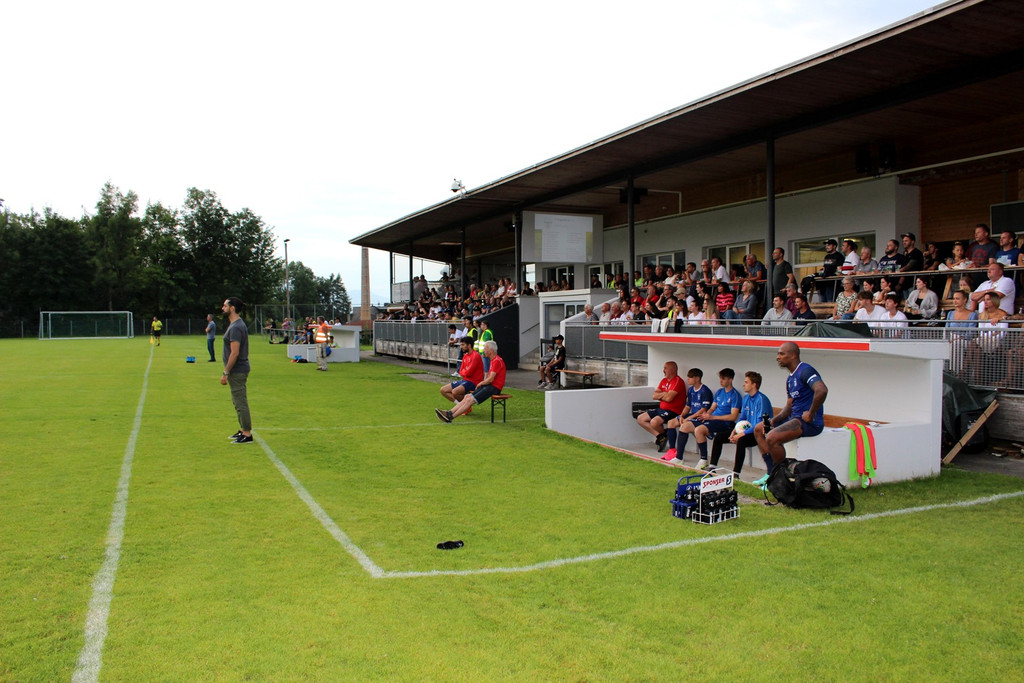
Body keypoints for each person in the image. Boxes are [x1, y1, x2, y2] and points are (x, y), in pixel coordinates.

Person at [752, 342, 828, 487]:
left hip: (809, 422)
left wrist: (811, 413)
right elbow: (789, 406)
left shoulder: (805, 370)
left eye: (781, 354)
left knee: (773, 438)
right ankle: (770, 473)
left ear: (793, 355)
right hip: (795, 418)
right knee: (758, 428)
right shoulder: (790, 379)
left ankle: (779, 480)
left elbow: (822, 390)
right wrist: (774, 421)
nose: (778, 357)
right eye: (778, 354)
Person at [707, 371, 773, 475]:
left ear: (754, 385)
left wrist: (740, 435)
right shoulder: (746, 398)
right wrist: (734, 432)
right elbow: (742, 418)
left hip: (760, 432)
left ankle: (736, 473)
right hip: (748, 430)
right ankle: (712, 466)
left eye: (746, 382)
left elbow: (759, 424)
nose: (743, 384)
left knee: (741, 440)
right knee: (719, 437)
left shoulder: (761, 399)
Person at [436, 340, 506, 423]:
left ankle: (450, 417)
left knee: (470, 400)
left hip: (493, 388)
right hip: (489, 386)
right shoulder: (494, 360)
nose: (483, 350)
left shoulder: (497, 361)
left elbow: (491, 379)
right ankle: (449, 413)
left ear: (491, 351)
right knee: (467, 397)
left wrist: (481, 383)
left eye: (485, 348)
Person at [690, 368, 742, 470]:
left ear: (730, 380)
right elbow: (712, 408)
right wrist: (706, 414)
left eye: (723, 379)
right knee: (686, 426)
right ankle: (678, 456)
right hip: (712, 419)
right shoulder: (719, 392)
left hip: (723, 423)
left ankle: (703, 459)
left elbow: (733, 416)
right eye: (720, 378)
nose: (721, 381)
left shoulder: (735, 395)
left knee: (698, 430)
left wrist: (712, 417)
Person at [661, 367, 713, 462]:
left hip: (700, 417)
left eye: (690, 377)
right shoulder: (690, 390)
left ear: (697, 378)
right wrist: (682, 415)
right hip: (691, 415)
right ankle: (672, 450)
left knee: (684, 426)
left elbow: (704, 409)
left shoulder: (705, 391)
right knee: (671, 423)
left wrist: (689, 418)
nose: (688, 379)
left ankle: (679, 457)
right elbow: (688, 406)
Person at [221, 297, 253, 444]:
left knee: (240, 402)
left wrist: (226, 372)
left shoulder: (236, 327)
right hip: (237, 370)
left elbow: (235, 353)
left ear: (232, 308)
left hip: (237, 370)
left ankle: (247, 434)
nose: (223, 308)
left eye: (225, 306)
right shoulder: (236, 325)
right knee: (237, 401)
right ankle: (242, 429)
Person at [636, 361, 686, 453]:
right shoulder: (664, 380)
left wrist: (662, 395)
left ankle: (662, 437)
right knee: (640, 418)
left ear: (673, 369)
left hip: (673, 410)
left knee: (654, 422)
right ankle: (661, 436)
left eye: (666, 368)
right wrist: (665, 394)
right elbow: (654, 396)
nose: (663, 370)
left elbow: (669, 398)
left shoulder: (678, 381)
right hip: (662, 409)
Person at [442, 337, 484, 407]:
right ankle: (461, 406)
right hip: (465, 380)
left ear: (469, 345)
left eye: (463, 345)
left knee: (455, 392)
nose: (461, 347)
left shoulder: (475, 356)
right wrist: (465, 372)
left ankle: (465, 407)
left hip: (474, 382)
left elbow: (469, 373)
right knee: (443, 390)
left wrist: (465, 372)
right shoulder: (465, 356)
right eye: (461, 345)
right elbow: (460, 371)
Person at [945, 290, 978, 377]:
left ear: (964, 300)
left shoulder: (972, 315)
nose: (955, 301)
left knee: (955, 344)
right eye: (954, 298)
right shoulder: (950, 313)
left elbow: (971, 333)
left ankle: (956, 372)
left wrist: (959, 338)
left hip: (966, 340)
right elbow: (946, 329)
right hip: (951, 339)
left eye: (957, 298)